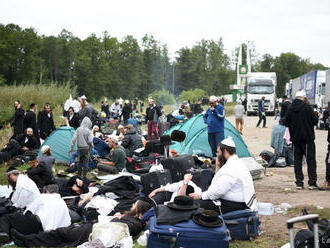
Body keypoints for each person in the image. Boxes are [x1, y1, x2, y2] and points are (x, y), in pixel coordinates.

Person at [10, 197, 153, 247]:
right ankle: (29, 239)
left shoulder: (137, 223)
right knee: (61, 233)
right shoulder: (133, 219)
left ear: (139, 209)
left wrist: (117, 218)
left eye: (135, 205)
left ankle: (26, 241)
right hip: (95, 227)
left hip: (93, 232)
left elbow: (120, 228)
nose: (132, 206)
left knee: (61, 233)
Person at [0, 167, 70, 244]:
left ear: (47, 191)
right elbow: (68, 222)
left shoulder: (43, 196)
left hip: (36, 222)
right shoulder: (63, 203)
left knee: (6, 218)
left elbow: (29, 210)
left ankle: (3, 233)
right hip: (47, 230)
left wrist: (22, 217)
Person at [190, 137, 257, 214]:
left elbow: (217, 192)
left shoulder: (231, 168)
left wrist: (200, 196)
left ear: (225, 151)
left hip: (234, 205)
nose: (217, 156)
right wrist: (218, 166)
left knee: (195, 205)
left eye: (218, 152)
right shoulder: (236, 162)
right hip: (236, 202)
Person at [284, 90, 319, 190]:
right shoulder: (307, 107)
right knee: (311, 160)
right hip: (307, 139)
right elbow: (315, 121)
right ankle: (312, 183)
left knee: (297, 161)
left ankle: (299, 182)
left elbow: (286, 123)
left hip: (295, 139)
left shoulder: (290, 108)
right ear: (303, 98)